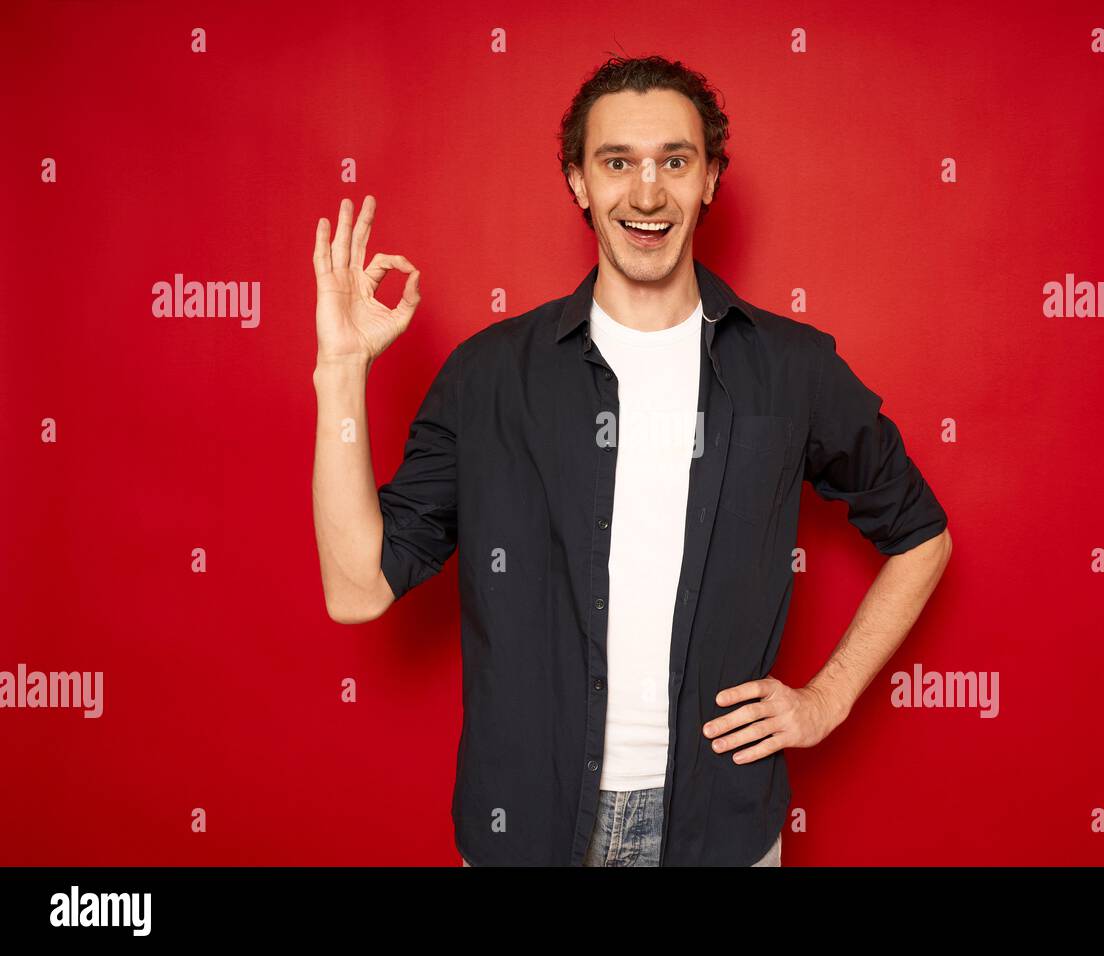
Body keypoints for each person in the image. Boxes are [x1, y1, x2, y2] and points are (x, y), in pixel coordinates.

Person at [311, 55, 952, 867]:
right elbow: (357, 589)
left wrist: (826, 699)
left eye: (674, 162)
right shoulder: (487, 377)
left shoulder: (792, 368)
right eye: (617, 162)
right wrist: (341, 373)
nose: (646, 193)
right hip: (528, 831)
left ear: (710, 177)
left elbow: (921, 534)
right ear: (579, 182)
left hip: (718, 829)